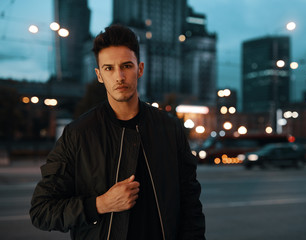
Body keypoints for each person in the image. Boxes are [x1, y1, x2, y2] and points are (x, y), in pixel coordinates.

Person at [30, 24, 206, 240]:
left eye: (126, 66)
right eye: (109, 68)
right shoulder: (78, 134)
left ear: (140, 69)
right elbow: (42, 211)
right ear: (99, 75)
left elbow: (191, 207)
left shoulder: (170, 129)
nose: (119, 76)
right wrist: (100, 204)